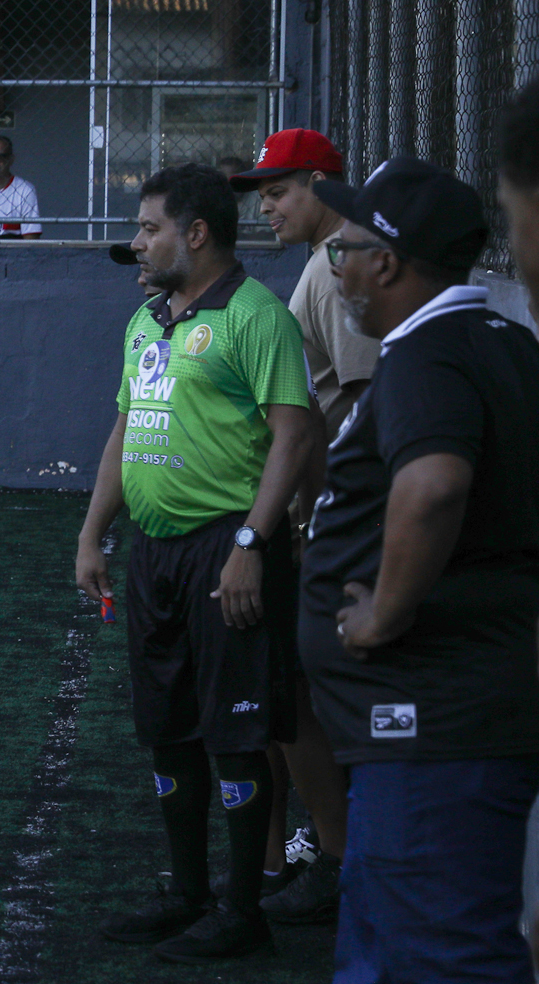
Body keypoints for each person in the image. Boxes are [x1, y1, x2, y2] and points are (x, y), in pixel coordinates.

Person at [289, 156, 539, 984]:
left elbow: (431, 487)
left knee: (447, 950)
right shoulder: (501, 344)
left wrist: (381, 615)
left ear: (386, 262)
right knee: (388, 936)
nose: (336, 268)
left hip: (431, 721)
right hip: (434, 721)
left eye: (344, 250)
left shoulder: (431, 354)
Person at [76, 162, 315, 962]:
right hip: (156, 553)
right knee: (168, 726)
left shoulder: (256, 317)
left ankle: (242, 908)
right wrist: (92, 533)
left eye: (149, 228)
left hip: (228, 548)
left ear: (197, 233)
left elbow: (294, 434)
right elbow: (125, 431)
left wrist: (252, 541)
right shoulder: (148, 321)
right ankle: (187, 893)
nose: (138, 242)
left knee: (236, 727)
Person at [224, 128, 385, 924]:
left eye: (281, 190)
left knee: (301, 696)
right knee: (288, 695)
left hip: (329, 516)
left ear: (325, 183)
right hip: (316, 511)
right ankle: (312, 850)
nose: (269, 206)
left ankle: (336, 855)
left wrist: (327, 516)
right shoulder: (325, 265)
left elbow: (356, 403)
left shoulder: (334, 268)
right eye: (263, 193)